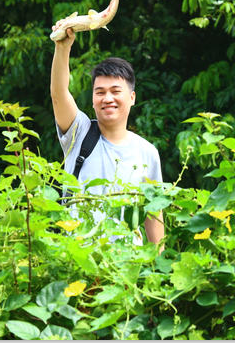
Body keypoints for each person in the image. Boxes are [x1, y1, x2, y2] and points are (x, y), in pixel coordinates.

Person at [50, 26, 164, 251]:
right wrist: (62, 48)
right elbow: (59, 93)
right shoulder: (78, 133)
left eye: (115, 91)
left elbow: (154, 210)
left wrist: (159, 265)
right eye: (100, 92)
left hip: (127, 266)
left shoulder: (147, 152)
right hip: (80, 259)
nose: (107, 98)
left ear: (131, 98)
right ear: (92, 100)